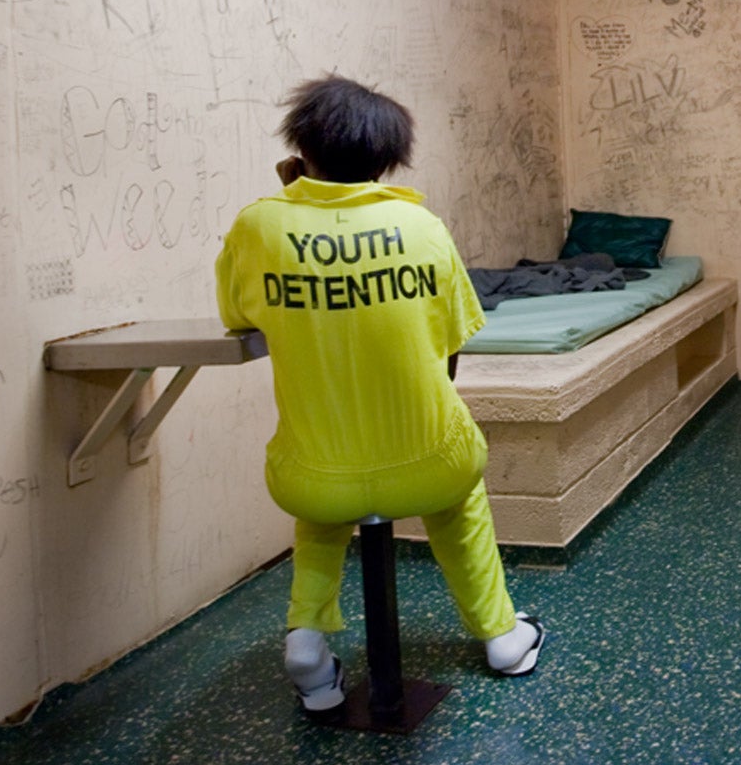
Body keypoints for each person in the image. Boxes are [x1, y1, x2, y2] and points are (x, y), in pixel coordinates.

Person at [216, 73, 543, 711]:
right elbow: (450, 352)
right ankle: (502, 635)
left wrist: (295, 212)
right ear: (387, 161)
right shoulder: (421, 227)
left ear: (298, 149)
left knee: (322, 507)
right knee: (459, 497)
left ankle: (308, 643)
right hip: (431, 467)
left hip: (315, 477)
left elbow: (237, 315)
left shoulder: (258, 227)